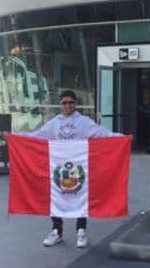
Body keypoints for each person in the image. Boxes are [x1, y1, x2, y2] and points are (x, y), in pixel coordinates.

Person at [28, 90, 117, 248]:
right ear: (60, 105)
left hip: (79, 167)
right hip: (58, 166)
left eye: (71, 102)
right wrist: (14, 136)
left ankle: (81, 231)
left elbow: (102, 133)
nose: (68, 105)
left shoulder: (84, 121)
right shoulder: (55, 122)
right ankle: (57, 231)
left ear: (75, 104)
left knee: (80, 196)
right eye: (64, 102)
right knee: (57, 196)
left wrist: (122, 137)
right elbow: (37, 135)